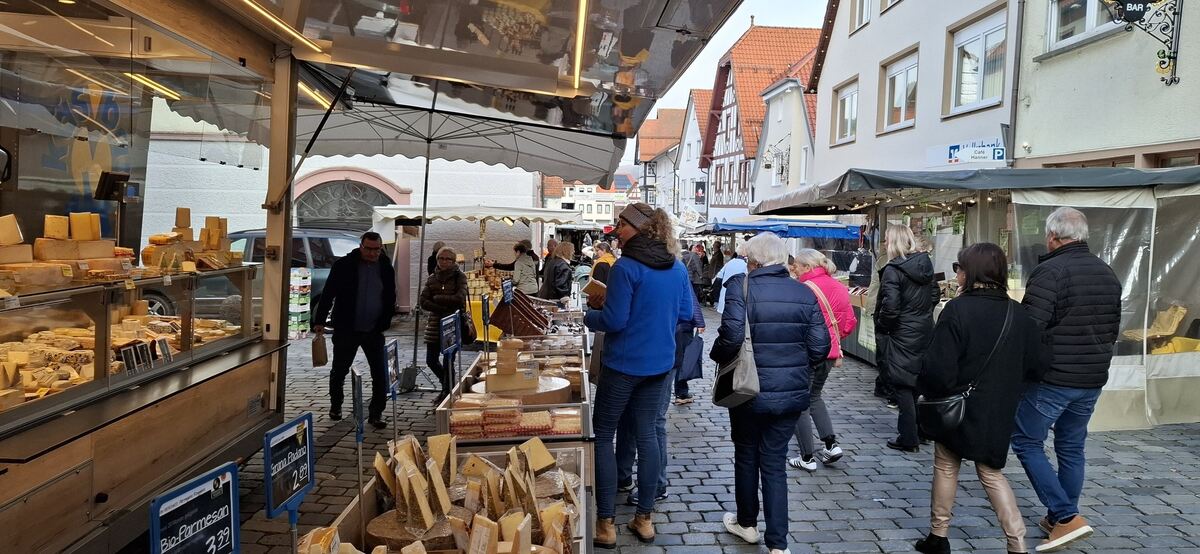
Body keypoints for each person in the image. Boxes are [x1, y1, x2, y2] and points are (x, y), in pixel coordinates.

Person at [913, 243, 1049, 554]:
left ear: (970, 272)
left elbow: (939, 368)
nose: (956, 274)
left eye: (959, 268)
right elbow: (1038, 365)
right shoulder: (1018, 313)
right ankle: (1016, 542)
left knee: (947, 466)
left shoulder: (958, 310)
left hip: (958, 405)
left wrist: (931, 390)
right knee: (991, 471)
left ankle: (938, 534)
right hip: (998, 407)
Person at [1011, 207, 1121, 553]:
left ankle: (1066, 516)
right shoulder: (1107, 272)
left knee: (1026, 440)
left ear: (1052, 237)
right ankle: (1058, 518)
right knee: (1071, 446)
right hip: (1091, 375)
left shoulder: (1050, 271)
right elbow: (1112, 327)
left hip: (1054, 377)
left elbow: (1030, 328)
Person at [712, 233, 829, 554]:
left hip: (747, 389)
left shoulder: (741, 286)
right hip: (789, 393)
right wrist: (794, 365)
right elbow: (820, 346)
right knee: (774, 464)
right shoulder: (803, 292)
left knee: (747, 455)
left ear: (753, 260)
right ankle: (779, 544)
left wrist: (717, 355)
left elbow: (731, 336)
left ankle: (747, 524)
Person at [585, 203, 692, 548]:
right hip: (660, 364)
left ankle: (605, 524)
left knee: (603, 435)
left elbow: (615, 321)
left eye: (621, 224)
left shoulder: (626, 267)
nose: (616, 229)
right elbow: (686, 312)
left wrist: (591, 315)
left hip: (624, 363)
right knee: (647, 436)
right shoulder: (676, 267)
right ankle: (644, 519)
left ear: (640, 228)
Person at [616, 279, 703, 507]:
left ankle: (656, 485)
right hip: (653, 350)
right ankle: (625, 475)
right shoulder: (665, 268)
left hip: (662, 351)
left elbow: (687, 312)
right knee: (633, 416)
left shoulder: (672, 270)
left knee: (653, 420)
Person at [312, 232, 397, 429]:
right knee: (339, 370)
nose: (373, 253)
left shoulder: (385, 266)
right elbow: (328, 293)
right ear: (361, 246)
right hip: (346, 327)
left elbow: (390, 295)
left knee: (380, 372)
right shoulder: (344, 265)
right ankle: (336, 406)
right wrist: (319, 320)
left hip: (374, 329)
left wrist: (386, 320)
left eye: (377, 249)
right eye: (369, 249)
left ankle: (376, 413)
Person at [787, 249, 857, 472]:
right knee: (815, 397)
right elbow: (849, 322)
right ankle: (830, 444)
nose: (793, 269)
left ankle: (807, 456)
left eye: (796, 265)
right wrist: (833, 341)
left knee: (800, 402)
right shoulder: (838, 286)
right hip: (829, 352)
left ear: (807, 267)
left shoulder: (802, 289)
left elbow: (795, 323)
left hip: (807, 352)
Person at [876, 223, 940, 453]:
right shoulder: (925, 264)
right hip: (923, 329)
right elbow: (935, 294)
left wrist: (884, 326)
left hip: (902, 332)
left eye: (886, 239)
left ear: (893, 242)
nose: (884, 243)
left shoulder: (894, 270)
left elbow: (890, 307)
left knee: (903, 384)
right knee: (916, 383)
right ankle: (921, 431)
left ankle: (908, 437)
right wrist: (921, 315)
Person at [420, 246, 469, 400]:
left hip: (452, 324)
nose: (444, 261)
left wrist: (437, 298)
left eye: (448, 259)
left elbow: (459, 299)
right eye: (441, 258)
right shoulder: (432, 278)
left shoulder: (459, 277)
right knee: (431, 360)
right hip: (434, 324)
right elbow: (423, 301)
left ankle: (447, 392)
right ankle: (447, 383)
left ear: (453, 261)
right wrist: (441, 306)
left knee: (449, 359)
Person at [713, 246, 747, 313]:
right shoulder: (746, 265)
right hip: (738, 297)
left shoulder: (729, 263)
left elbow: (719, 277)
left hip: (725, 295)